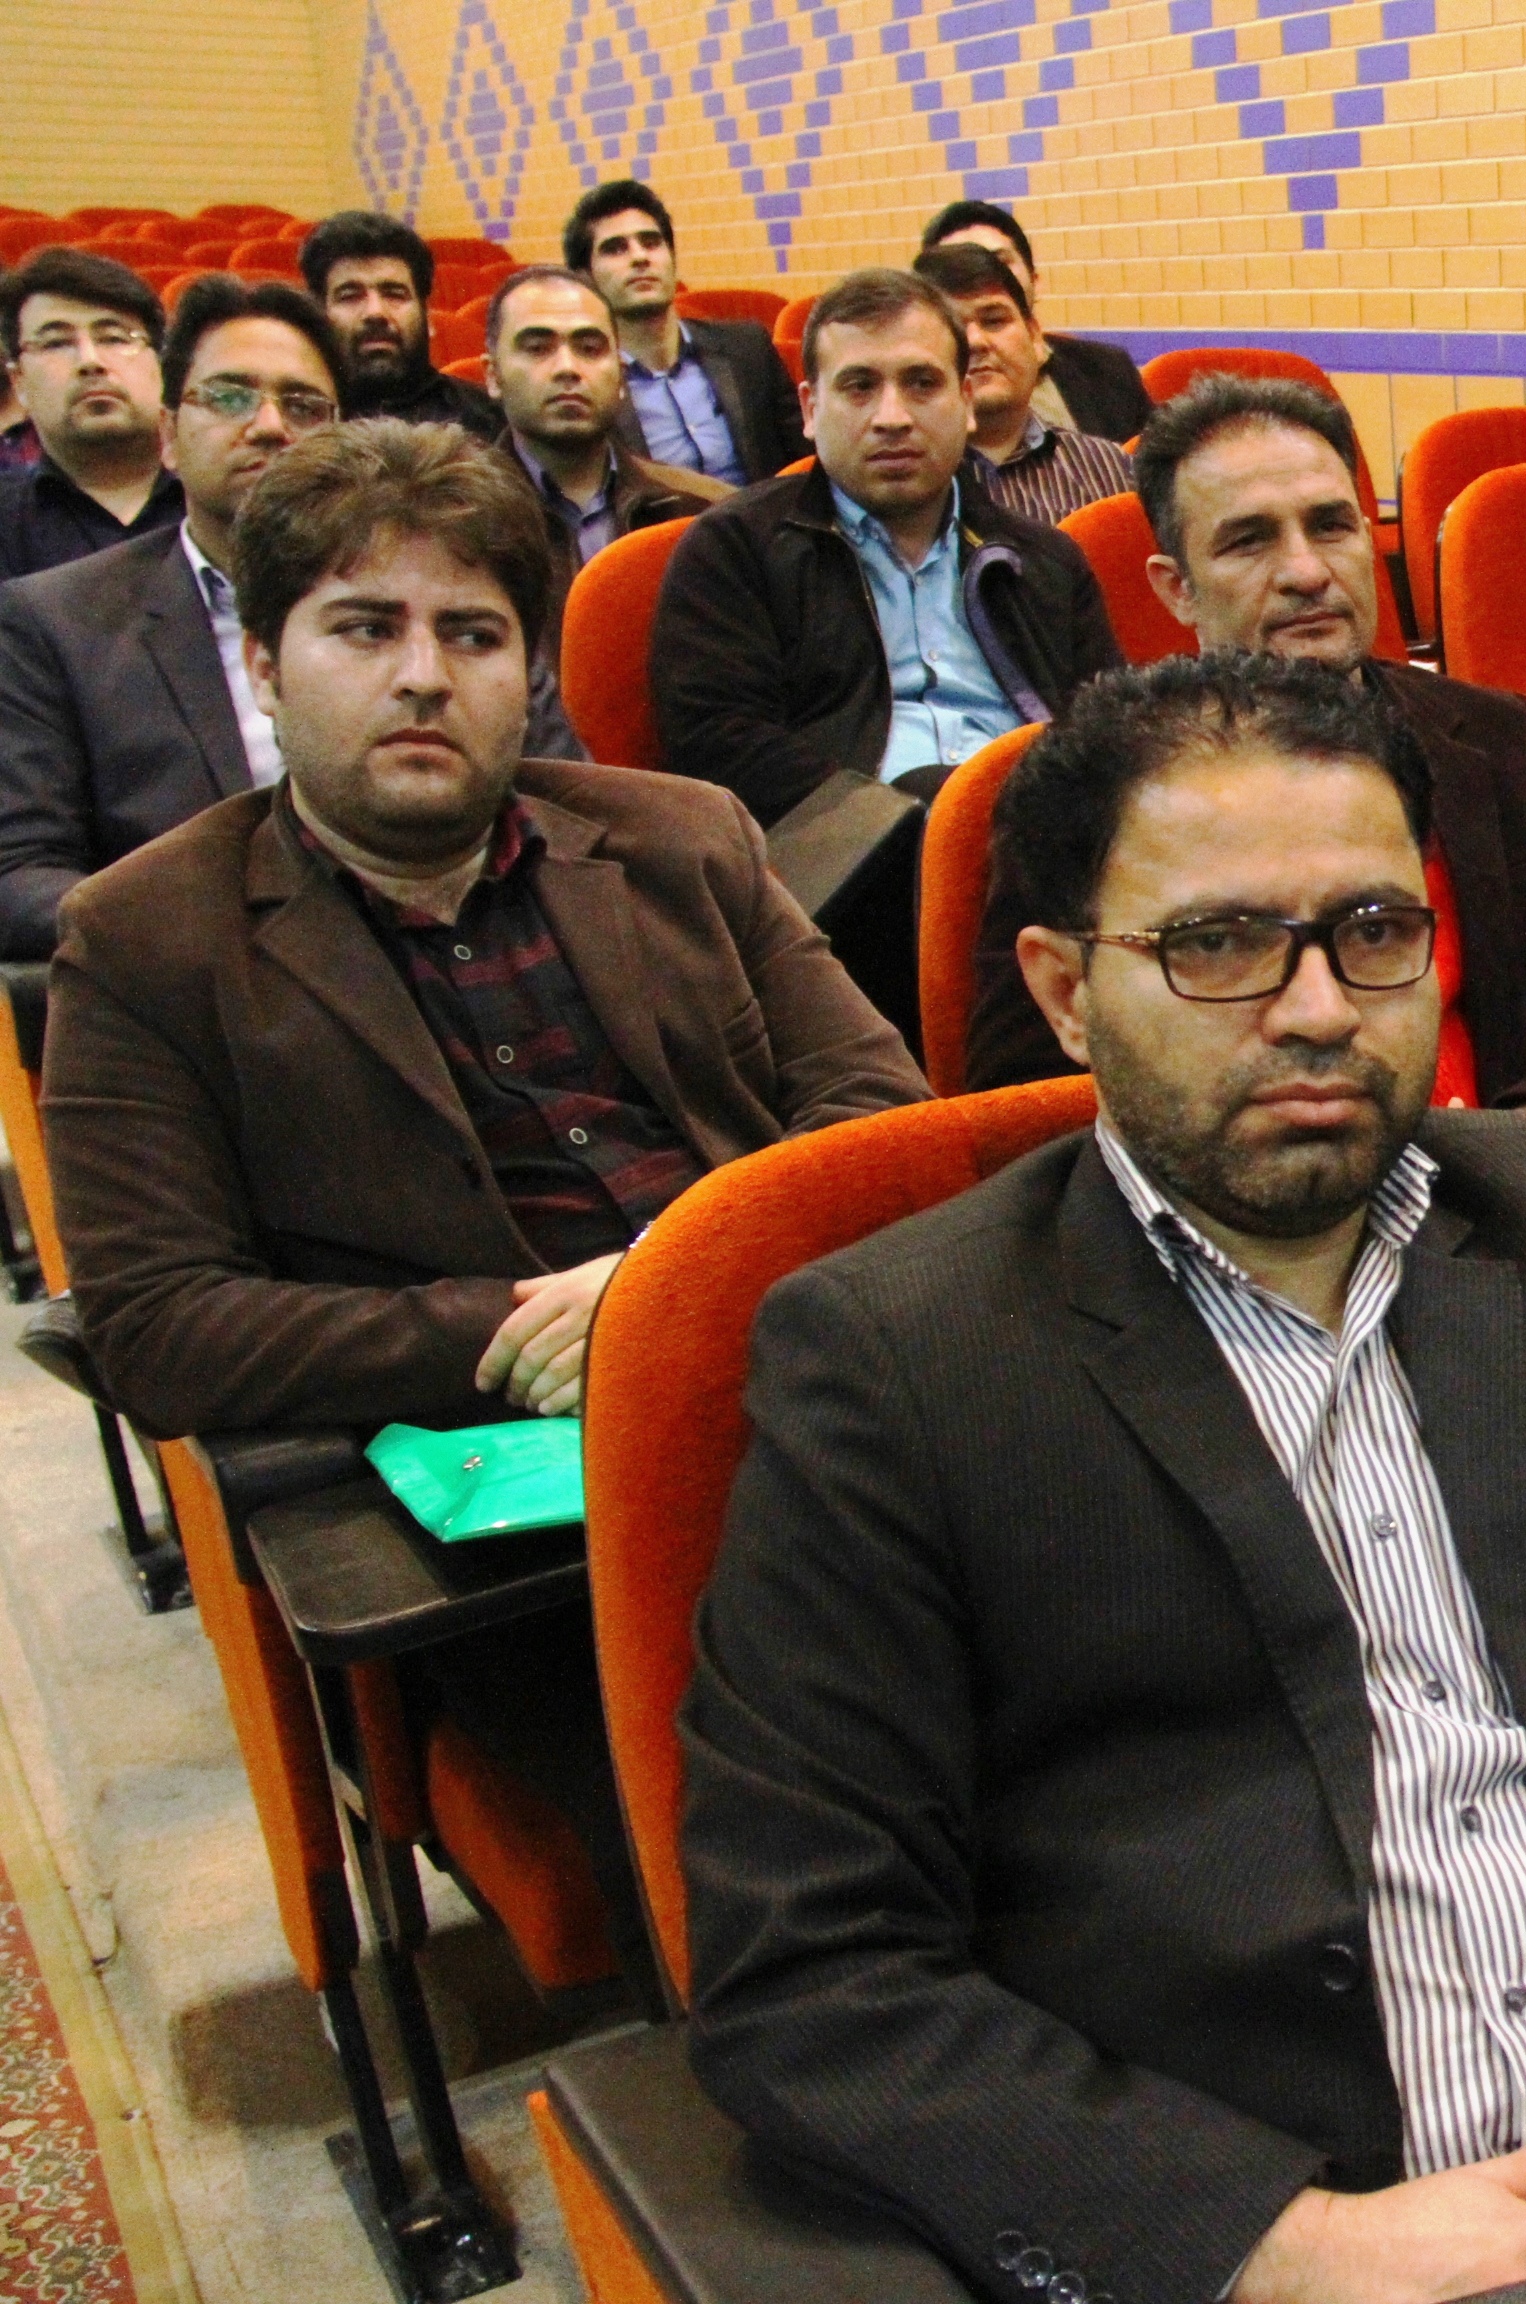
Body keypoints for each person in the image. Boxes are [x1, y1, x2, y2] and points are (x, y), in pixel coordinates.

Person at [681, 648, 1526, 2304]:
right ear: (1061, 989)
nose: (1322, 1007)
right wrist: (1285, 2242)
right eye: (1217, 943)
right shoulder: (896, 1361)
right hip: (1303, 2242)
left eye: (1374, 929)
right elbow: (815, 1975)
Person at [42, 418, 925, 1988]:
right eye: (363, 629)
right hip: (521, 1535)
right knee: (768, 1868)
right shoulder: (148, 939)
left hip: (804, 1400)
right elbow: (162, 1330)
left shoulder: (679, 838)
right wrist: (523, 1336)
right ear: (263, 663)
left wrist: (661, 1284)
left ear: (530, 671)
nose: (421, 677)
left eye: (471, 633)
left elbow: (883, 1125)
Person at [965, 372, 1526, 1120]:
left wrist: (1514, 1146)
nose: (1306, 572)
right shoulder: (1091, 784)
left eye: (1331, 526)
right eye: (1250, 541)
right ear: (1177, 588)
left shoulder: (1499, 739)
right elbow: (1024, 1094)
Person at [651, 266, 1119, 1045]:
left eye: (921, 383)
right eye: (859, 386)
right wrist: (914, 813)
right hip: (846, 879)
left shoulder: (1044, 561)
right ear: (810, 409)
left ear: (965, 400)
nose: (892, 417)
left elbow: (1107, 726)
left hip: (1039, 844)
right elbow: (719, 744)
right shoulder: (735, 552)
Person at [0, 278, 349, 958]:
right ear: (168, 437)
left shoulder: (434, 601)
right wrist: (209, 945)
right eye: (229, 397)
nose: (270, 425)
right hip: (191, 982)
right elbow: (20, 875)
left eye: (304, 406)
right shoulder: (54, 624)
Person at [484, 263, 727, 655]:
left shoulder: (701, 509)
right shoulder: (457, 521)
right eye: (538, 348)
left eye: (590, 349)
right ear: (493, 376)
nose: (567, 368)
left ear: (621, 376)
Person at [563, 178, 808, 488]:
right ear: (584, 277)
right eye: (616, 249)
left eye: (651, 242)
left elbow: (807, 462)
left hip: (765, 515)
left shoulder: (748, 350)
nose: (640, 257)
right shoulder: (580, 384)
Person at [910, 241, 1130, 531]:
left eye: (994, 320)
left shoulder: (1109, 468)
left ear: (1035, 338)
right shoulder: (905, 482)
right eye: (955, 328)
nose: (976, 341)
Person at [0, 248, 182, 581]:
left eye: (113, 338)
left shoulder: (225, 502)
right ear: (19, 382)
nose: (90, 361)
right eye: (56, 343)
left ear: (161, 365)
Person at [916, 196, 1151, 444]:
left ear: (1034, 280)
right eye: (957, 265)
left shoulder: (1108, 370)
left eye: (998, 261)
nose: (981, 272)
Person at [300, 211, 501, 440]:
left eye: (394, 294)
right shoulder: (297, 427)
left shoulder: (490, 422)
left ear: (427, 315)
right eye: (350, 296)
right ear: (320, 315)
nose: (375, 312)